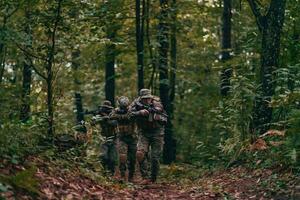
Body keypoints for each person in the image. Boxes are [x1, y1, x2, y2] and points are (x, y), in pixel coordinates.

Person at [129, 89, 167, 183]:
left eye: (148, 98)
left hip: (157, 132)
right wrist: (139, 112)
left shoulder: (156, 103)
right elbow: (128, 114)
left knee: (154, 157)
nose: (147, 100)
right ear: (141, 98)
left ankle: (153, 178)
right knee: (140, 154)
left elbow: (160, 110)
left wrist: (153, 111)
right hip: (144, 132)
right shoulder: (135, 104)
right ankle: (145, 176)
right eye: (145, 99)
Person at [110, 96, 137, 182]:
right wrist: (119, 114)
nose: (123, 108)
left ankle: (131, 177)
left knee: (132, 158)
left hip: (132, 137)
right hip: (122, 137)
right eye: (122, 106)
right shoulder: (116, 110)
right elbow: (111, 116)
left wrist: (120, 116)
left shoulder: (132, 110)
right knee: (122, 157)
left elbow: (129, 117)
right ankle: (122, 175)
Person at [94, 100, 118, 175]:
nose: (105, 109)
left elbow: (115, 123)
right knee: (104, 156)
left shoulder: (113, 115)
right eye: (104, 108)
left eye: (107, 108)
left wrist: (107, 119)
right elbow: (93, 122)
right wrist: (99, 118)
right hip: (103, 139)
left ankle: (111, 174)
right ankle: (104, 172)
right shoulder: (100, 115)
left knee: (113, 159)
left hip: (113, 139)